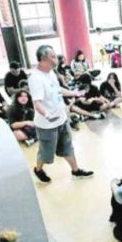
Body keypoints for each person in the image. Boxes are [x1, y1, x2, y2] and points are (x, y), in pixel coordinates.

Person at [28, 45, 93, 182]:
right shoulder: (36, 78)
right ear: (42, 59)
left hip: (61, 119)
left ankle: (76, 171)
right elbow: (37, 103)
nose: (55, 58)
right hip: (47, 124)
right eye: (52, 56)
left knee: (68, 147)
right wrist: (47, 115)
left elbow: (58, 90)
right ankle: (38, 169)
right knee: (46, 153)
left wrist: (74, 93)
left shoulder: (51, 73)